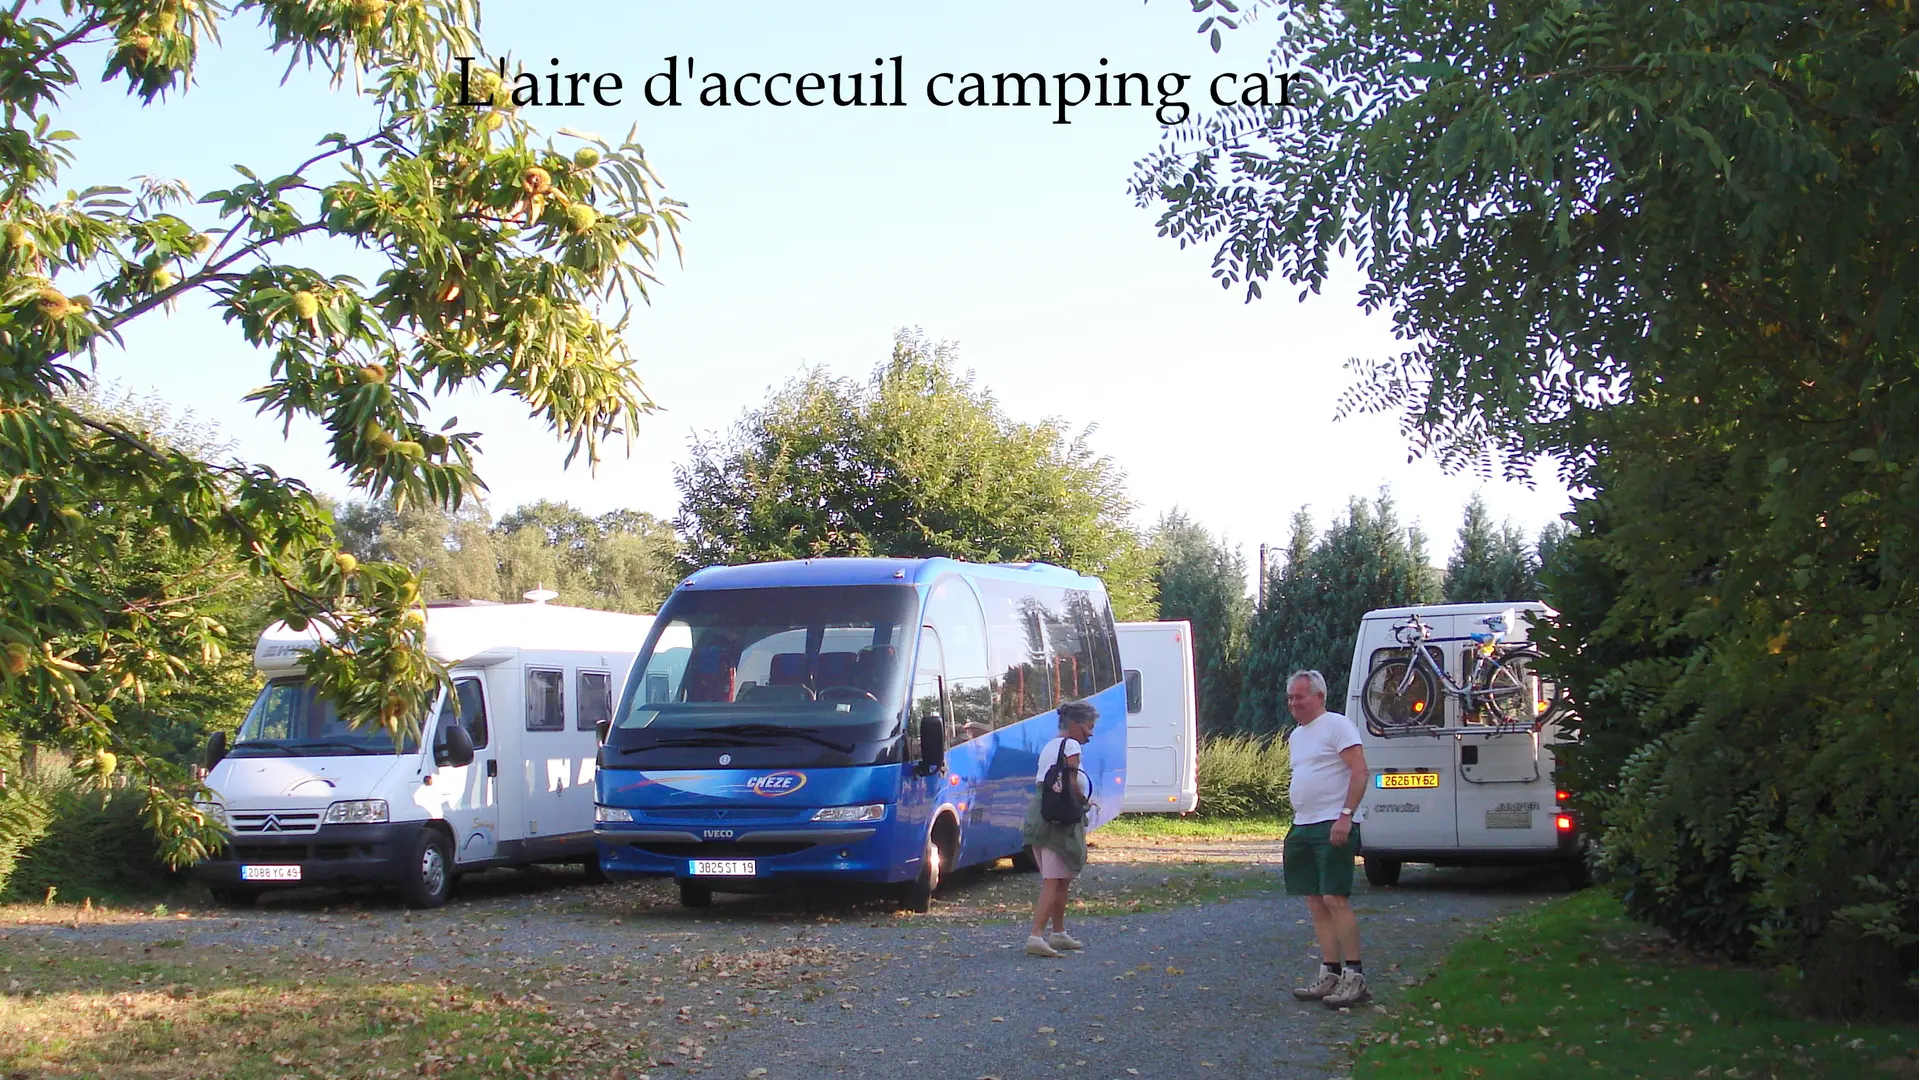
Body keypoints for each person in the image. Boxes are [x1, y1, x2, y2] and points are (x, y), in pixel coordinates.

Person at [1283, 669, 1372, 1008]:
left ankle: (1355, 976)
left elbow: (1360, 770)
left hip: (1332, 822)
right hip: (1303, 824)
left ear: (1319, 696)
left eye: (1300, 696)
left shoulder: (1337, 725)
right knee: (1315, 900)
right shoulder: (1297, 736)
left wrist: (1345, 815)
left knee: (1335, 898)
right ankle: (1330, 973)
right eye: (1290, 697)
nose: (1294, 703)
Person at [1022, 699, 1098, 958]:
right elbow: (1071, 782)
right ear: (1075, 724)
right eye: (1089, 727)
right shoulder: (1071, 745)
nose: (1091, 733)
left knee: (1062, 878)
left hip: (1041, 815)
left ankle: (1058, 932)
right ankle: (1036, 935)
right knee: (1053, 880)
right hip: (1057, 821)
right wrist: (1084, 801)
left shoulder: (1050, 745)